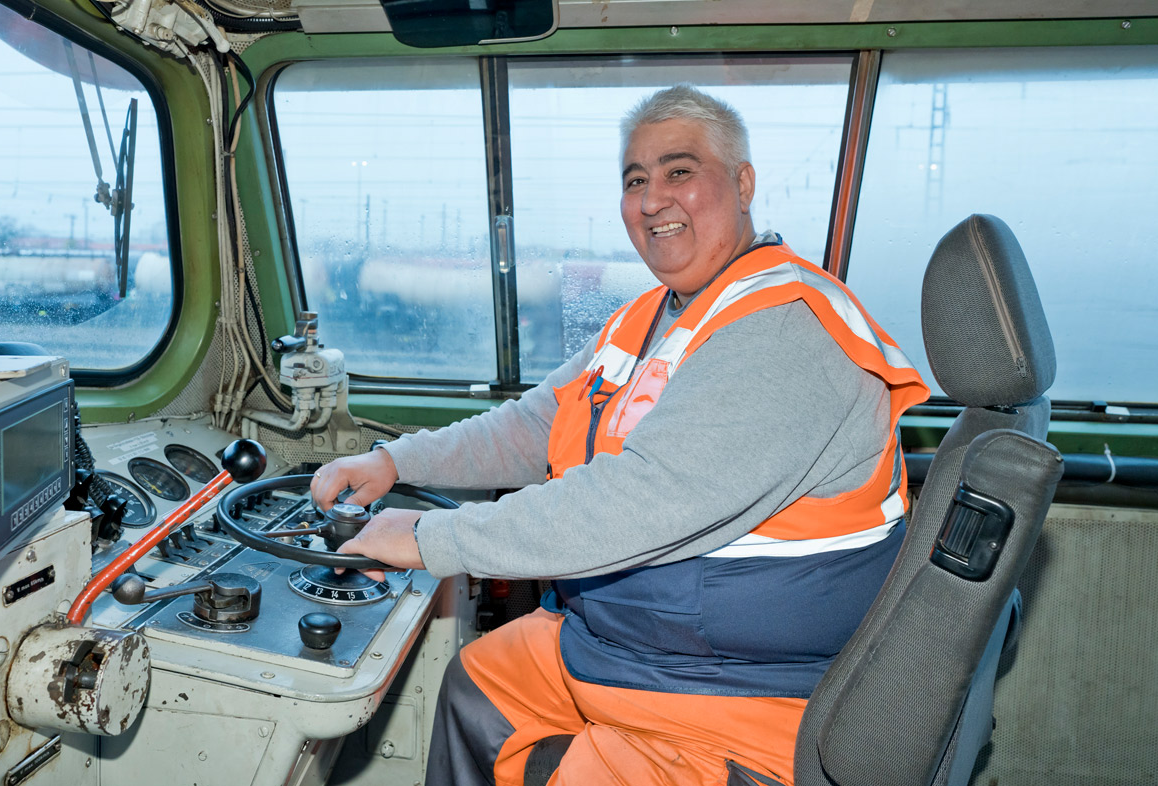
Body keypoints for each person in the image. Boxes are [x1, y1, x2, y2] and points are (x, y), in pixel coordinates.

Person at [310, 85, 929, 785]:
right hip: (634, 644)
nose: (653, 198)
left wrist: (427, 540)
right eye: (635, 181)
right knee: (476, 685)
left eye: (680, 172)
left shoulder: (784, 329)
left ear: (744, 182)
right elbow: (535, 425)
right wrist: (395, 460)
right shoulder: (652, 316)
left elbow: (637, 502)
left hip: (738, 693)